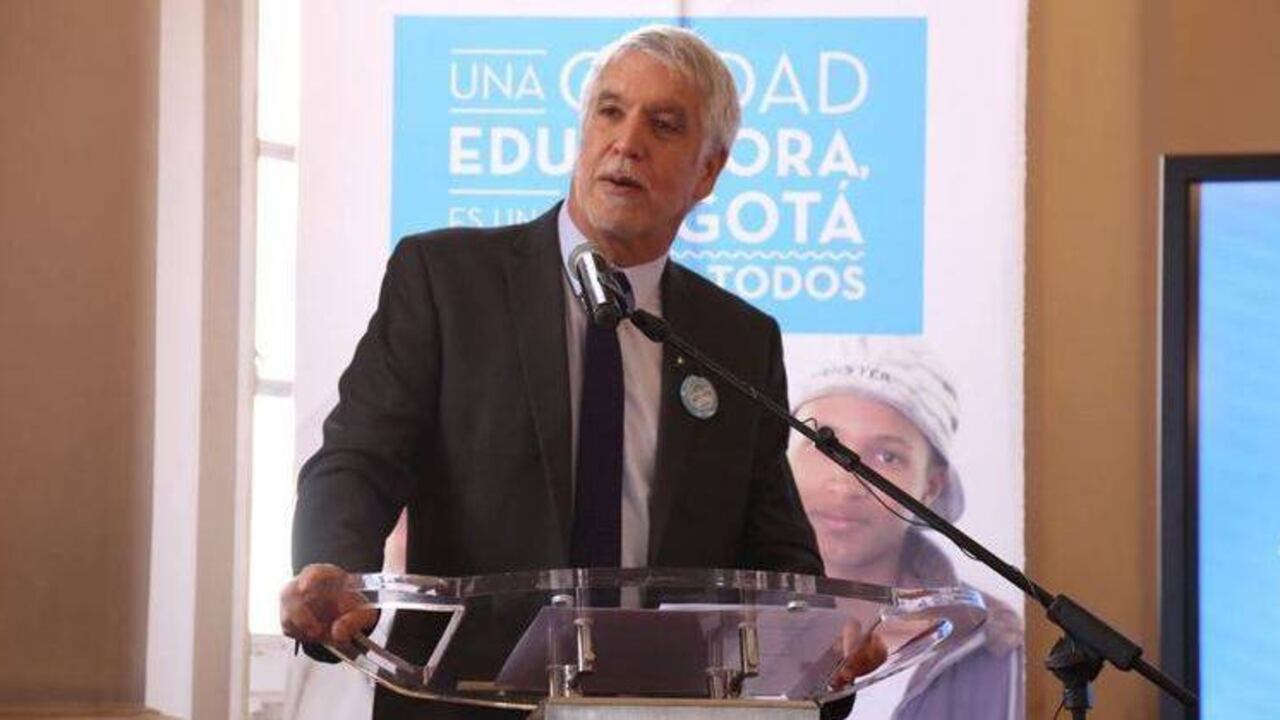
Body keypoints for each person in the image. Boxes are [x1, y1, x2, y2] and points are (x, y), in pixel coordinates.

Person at [280, 25, 827, 719]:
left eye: (663, 125)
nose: (627, 142)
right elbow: (360, 457)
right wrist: (331, 568)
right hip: (466, 702)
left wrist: (830, 644)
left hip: (666, 708)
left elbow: (773, 548)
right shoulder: (448, 282)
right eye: (610, 111)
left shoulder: (737, 339)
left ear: (708, 172)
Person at [788, 337, 1025, 720]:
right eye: (822, 445)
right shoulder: (721, 619)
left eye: (887, 456)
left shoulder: (992, 644)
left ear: (931, 487)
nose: (844, 485)